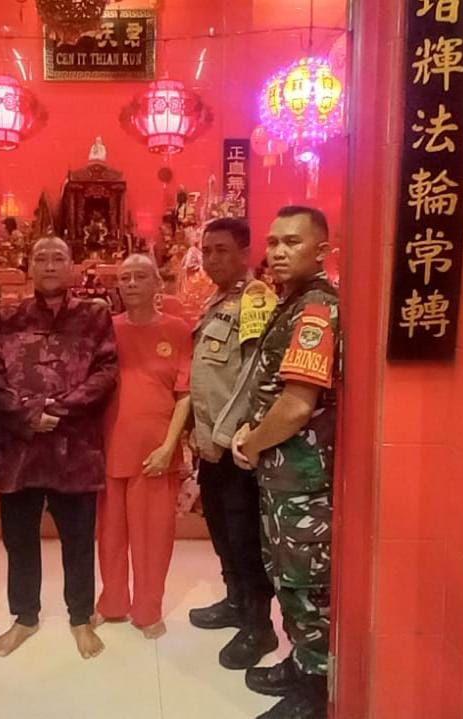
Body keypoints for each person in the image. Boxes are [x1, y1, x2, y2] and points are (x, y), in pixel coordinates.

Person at [0, 236, 118, 659]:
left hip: (74, 447)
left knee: (78, 540)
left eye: (58, 257)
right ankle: (25, 617)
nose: (49, 265)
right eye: (40, 258)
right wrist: (27, 414)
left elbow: (106, 370)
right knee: (19, 539)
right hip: (20, 449)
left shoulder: (95, 316)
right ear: (29, 266)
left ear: (72, 265)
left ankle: (80, 617)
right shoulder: (6, 318)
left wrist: (58, 409)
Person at [232, 206, 340, 719]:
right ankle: (300, 664)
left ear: (321, 251)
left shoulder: (315, 309)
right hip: (283, 474)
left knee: (306, 586)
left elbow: (297, 405)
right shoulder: (290, 302)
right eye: (273, 242)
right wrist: (250, 432)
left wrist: (253, 443)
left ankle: (315, 695)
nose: (277, 252)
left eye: (292, 242)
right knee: (285, 575)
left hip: (304, 481)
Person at [187, 218, 279, 671]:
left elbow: (254, 376)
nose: (211, 259)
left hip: (237, 447)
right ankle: (235, 601)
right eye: (206, 250)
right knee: (222, 532)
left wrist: (223, 437)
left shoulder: (255, 299)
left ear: (245, 252)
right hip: (210, 446)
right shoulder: (216, 301)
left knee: (245, 539)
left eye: (221, 250)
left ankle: (259, 627)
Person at [93, 254, 192, 639]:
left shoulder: (178, 330)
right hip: (110, 447)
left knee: (153, 537)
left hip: (155, 452)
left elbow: (184, 394)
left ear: (157, 284)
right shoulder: (106, 329)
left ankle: (148, 610)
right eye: (125, 278)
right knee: (110, 535)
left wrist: (169, 447)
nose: (131, 283)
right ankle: (112, 603)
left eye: (139, 276)